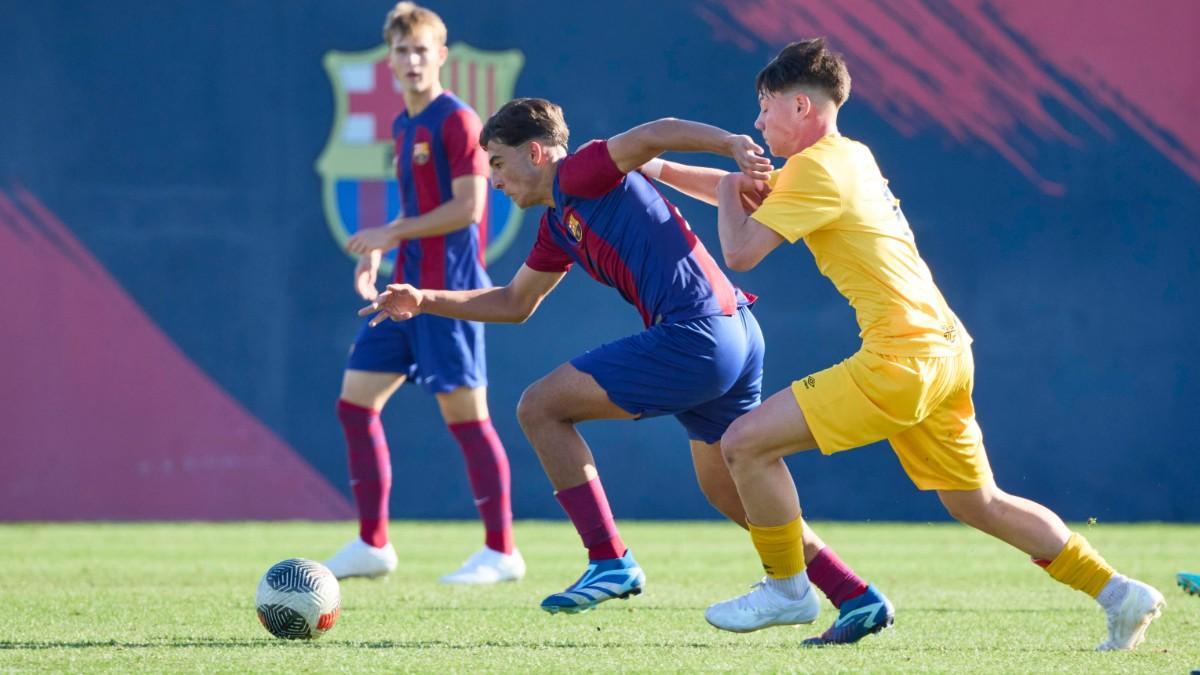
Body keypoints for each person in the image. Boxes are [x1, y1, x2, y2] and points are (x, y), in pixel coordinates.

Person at [651, 38, 1164, 651]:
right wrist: (652, 168)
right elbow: (740, 192)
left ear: (800, 106)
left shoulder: (817, 169)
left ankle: (787, 587)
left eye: (764, 108)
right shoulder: (848, 156)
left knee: (745, 445)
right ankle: (1120, 593)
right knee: (979, 501)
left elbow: (739, 251)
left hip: (903, 356)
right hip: (947, 350)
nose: (757, 123)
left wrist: (733, 188)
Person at [361, 97, 895, 645]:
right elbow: (515, 302)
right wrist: (425, 299)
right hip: (733, 332)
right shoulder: (557, 223)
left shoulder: (581, 170)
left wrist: (731, 144)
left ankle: (608, 559)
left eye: (497, 163)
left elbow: (656, 130)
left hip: (699, 334)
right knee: (731, 491)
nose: (492, 179)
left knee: (540, 406)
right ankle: (852, 593)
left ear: (536, 153)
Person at [324, 1, 524, 585]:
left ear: (441, 56)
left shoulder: (456, 121)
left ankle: (501, 550)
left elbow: (469, 208)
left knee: (467, 417)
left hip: (448, 294)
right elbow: (410, 212)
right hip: (401, 294)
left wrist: (391, 232)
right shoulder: (405, 125)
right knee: (354, 403)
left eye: (421, 50)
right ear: (389, 60)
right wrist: (375, 261)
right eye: (402, 51)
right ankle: (373, 543)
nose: (411, 60)